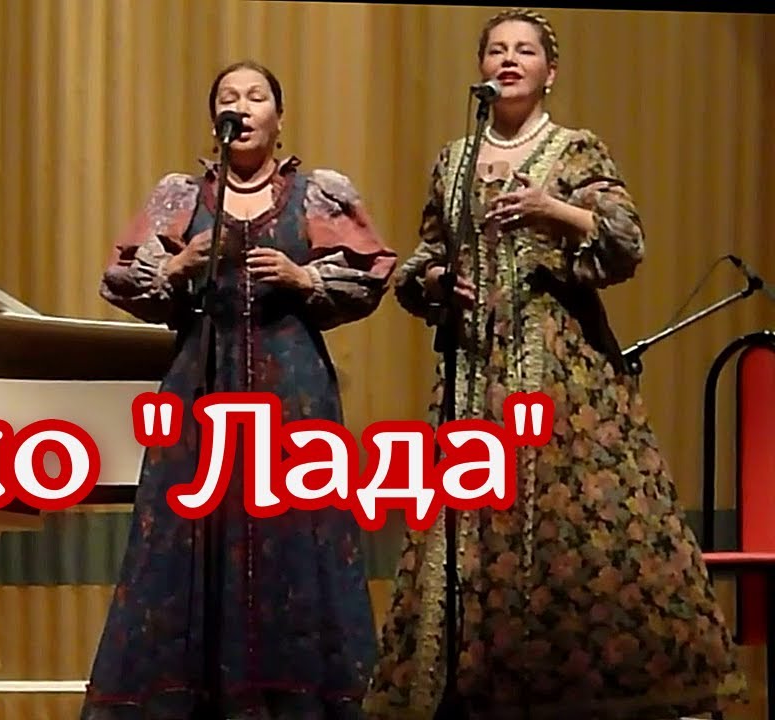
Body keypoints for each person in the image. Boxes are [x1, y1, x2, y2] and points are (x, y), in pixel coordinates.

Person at [362, 8, 747, 720]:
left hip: (562, 366)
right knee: (473, 519)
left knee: (573, 520)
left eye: (525, 51)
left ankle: (581, 687)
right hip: (475, 369)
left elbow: (626, 242)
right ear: (482, 68)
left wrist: (555, 211)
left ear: (549, 72)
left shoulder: (575, 151)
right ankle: (477, 681)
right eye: (497, 50)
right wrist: (439, 281)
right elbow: (423, 258)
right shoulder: (455, 158)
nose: (509, 60)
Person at [81, 60, 399, 720]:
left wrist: (304, 278)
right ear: (215, 120)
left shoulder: (316, 194)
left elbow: (371, 275)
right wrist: (179, 266)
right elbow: (121, 279)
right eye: (230, 97)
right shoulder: (182, 197)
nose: (243, 106)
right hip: (201, 383)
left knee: (298, 534)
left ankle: (302, 701)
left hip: (293, 390)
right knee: (188, 534)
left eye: (257, 96)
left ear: (280, 119)